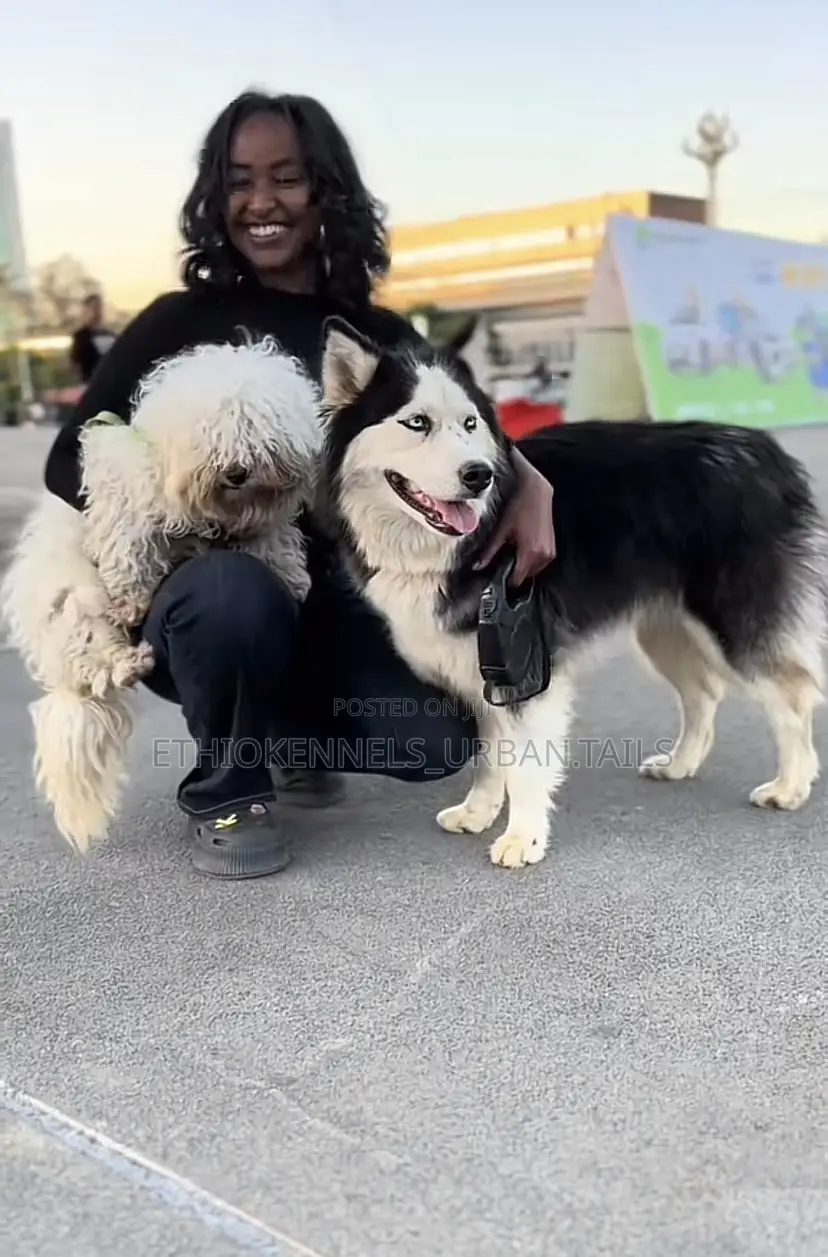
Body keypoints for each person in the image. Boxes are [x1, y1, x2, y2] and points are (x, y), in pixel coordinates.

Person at [43, 91, 556, 879]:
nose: (261, 201)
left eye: (286, 177)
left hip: (341, 603)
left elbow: (472, 428)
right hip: (208, 599)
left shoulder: (379, 336)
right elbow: (69, 458)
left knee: (435, 741)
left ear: (325, 191)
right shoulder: (176, 320)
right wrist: (187, 503)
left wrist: (532, 482)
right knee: (230, 597)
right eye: (240, 179)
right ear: (216, 197)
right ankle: (228, 789)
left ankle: (281, 734)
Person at [69, 292, 116, 384]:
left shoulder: (110, 335)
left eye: (99, 307)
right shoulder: (82, 336)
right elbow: (76, 362)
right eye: (93, 308)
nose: (97, 312)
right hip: (91, 383)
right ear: (86, 311)